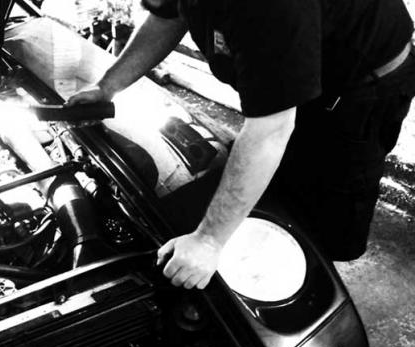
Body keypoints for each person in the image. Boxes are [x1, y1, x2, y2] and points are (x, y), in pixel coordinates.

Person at [70, 0, 415, 289]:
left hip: (356, 91)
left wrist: (208, 241)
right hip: (304, 61)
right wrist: (107, 87)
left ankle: (318, 317)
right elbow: (168, 14)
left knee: (323, 221)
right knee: (267, 192)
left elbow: (270, 131)